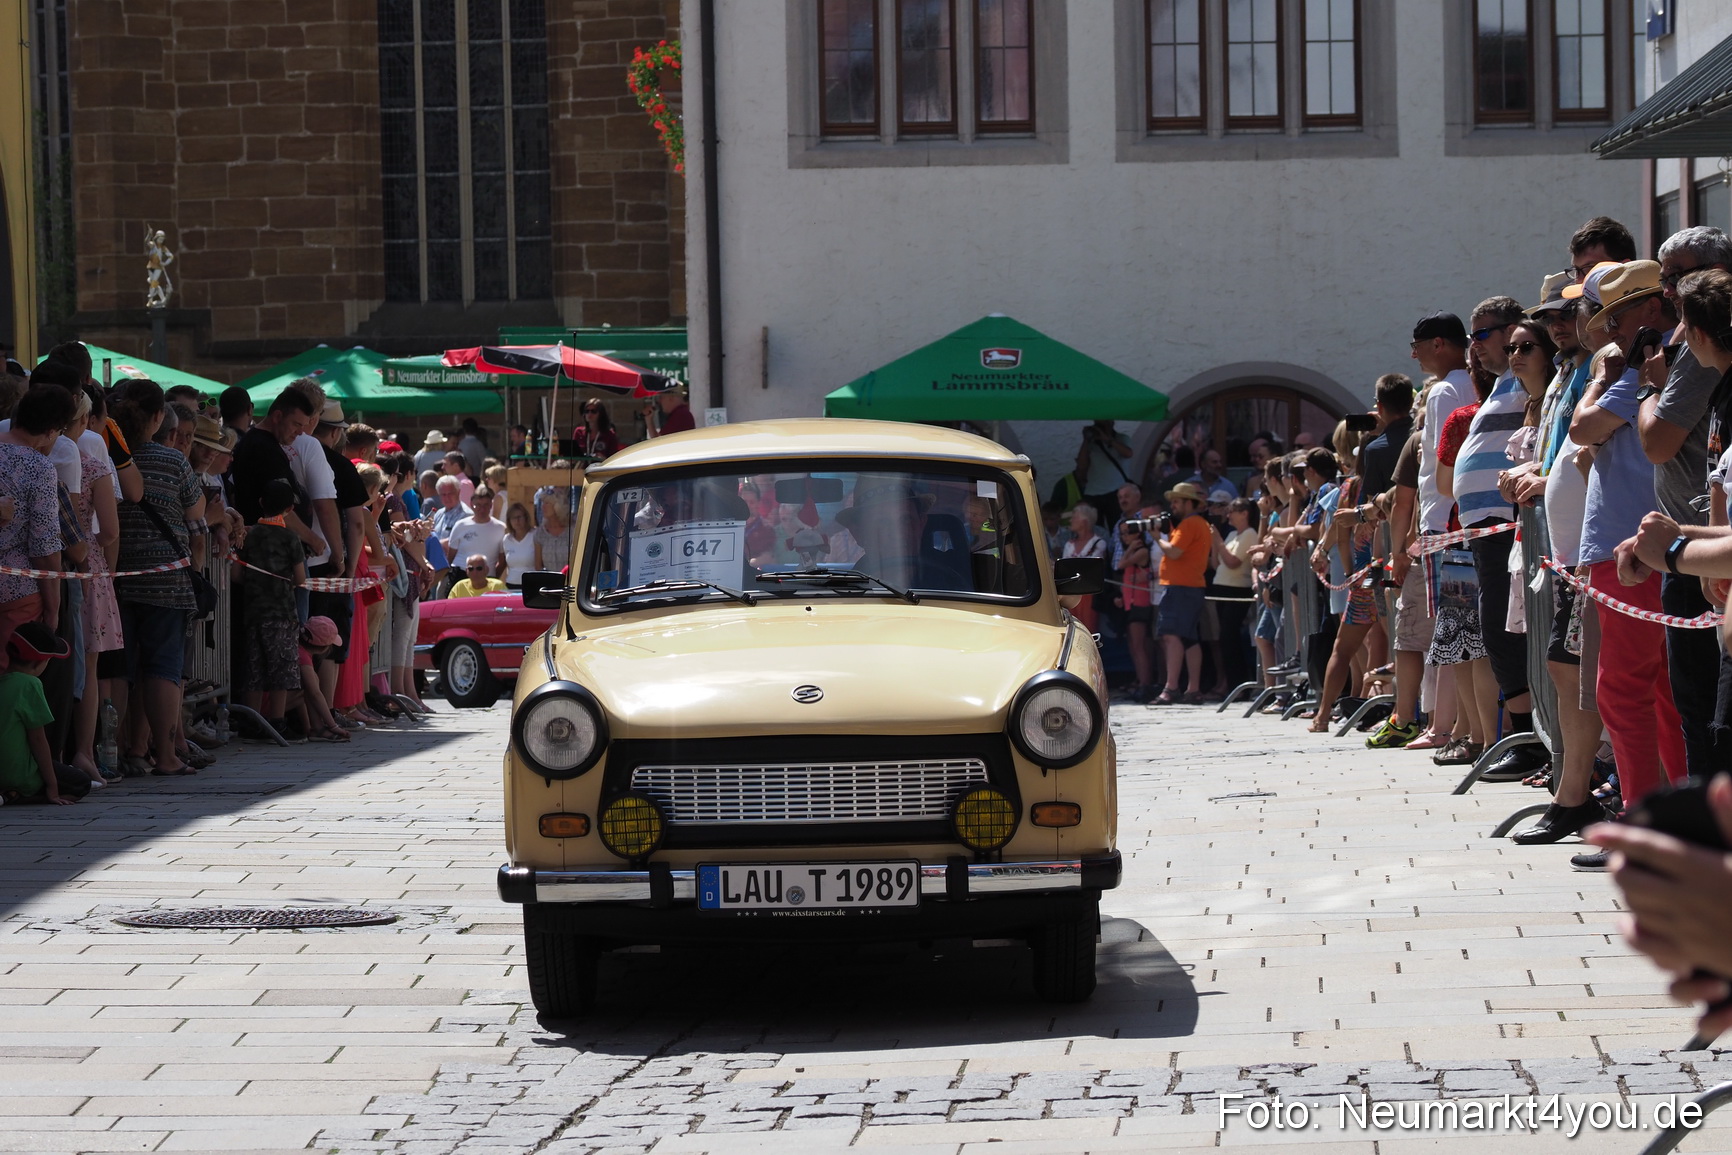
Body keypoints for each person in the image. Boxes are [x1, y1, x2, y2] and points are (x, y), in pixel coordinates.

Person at [1571, 259, 1688, 825]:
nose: (1609, 331)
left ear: (1649, 309)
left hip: (1630, 547)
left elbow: (1582, 429)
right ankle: (1672, 815)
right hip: (1650, 543)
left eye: (1617, 317)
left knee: (1625, 689)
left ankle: (1644, 818)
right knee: (1665, 689)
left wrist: (1602, 375)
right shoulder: (1662, 359)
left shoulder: (1643, 365)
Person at [1638, 227, 1732, 778]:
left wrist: (1676, 552)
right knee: (1702, 713)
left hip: (1708, 572)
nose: (1668, 290)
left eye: (1677, 278)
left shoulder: (1704, 360)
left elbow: (1657, 441)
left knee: (1709, 720)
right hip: (1703, 560)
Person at [110, 381, 204, 777]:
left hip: (117, 576)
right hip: (166, 579)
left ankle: (126, 751)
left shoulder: (109, 455)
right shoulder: (171, 460)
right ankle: (164, 755)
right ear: (156, 419)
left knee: (121, 669)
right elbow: (196, 506)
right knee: (163, 667)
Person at [0, 386, 70, 664]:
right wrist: (54, 608)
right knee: (13, 678)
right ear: (53, 430)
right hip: (17, 592)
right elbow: (44, 547)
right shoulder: (39, 467)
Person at [237, 478, 307, 742]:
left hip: (253, 611)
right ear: (289, 509)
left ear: (261, 503)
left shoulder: (249, 534)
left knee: (254, 669)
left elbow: (236, 574)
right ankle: (276, 723)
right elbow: (300, 579)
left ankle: (250, 722)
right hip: (282, 612)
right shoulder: (291, 538)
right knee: (281, 669)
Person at [0, 621, 84, 805]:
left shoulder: (4, 682)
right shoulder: (30, 685)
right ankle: (19, 794)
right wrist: (52, 785)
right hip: (21, 774)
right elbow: (38, 739)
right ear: (41, 661)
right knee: (81, 783)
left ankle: (8, 794)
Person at [1152, 482, 1211, 705]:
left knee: (1172, 636)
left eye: (1177, 501)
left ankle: (1171, 688)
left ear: (1189, 503)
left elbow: (1174, 552)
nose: (1173, 505)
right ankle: (1192, 689)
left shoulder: (1189, 524)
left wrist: (1157, 537)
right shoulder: (1198, 523)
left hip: (1181, 588)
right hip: (1191, 587)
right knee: (1189, 638)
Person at [1210, 497, 1260, 696]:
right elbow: (1216, 564)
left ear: (1244, 513)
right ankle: (1231, 685)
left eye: (1232, 511)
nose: (1228, 515)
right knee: (1224, 639)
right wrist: (1215, 543)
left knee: (1230, 638)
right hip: (1221, 588)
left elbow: (1233, 562)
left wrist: (1219, 542)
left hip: (1237, 589)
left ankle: (1239, 684)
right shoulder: (1231, 534)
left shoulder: (1249, 534)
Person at [447, 485, 506, 582]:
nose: (482, 509)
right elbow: (450, 557)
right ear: (471, 504)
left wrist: (494, 578)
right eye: (477, 505)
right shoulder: (460, 525)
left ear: (491, 505)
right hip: (461, 576)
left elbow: (502, 560)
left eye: (486, 505)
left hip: (487, 577)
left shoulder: (500, 528)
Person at [498, 502, 537, 587]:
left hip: (531, 584)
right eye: (513, 518)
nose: (517, 521)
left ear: (526, 518)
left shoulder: (535, 535)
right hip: (511, 584)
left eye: (519, 517)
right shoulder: (506, 539)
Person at [535, 490, 573, 573]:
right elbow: (538, 565)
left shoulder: (572, 531)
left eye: (547, 503)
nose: (543, 506)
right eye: (543, 503)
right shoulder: (540, 532)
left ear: (558, 506)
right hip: (548, 582)